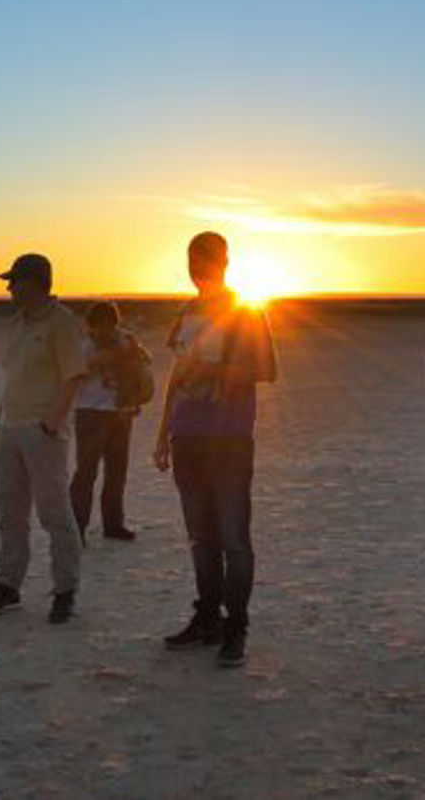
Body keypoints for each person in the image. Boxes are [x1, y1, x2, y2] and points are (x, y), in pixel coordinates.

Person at [154, 231, 277, 668]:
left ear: (224, 261)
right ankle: (206, 618)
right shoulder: (188, 312)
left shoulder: (245, 312)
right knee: (200, 538)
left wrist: (213, 369)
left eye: (204, 258)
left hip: (228, 438)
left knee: (233, 539)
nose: (197, 266)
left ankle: (235, 627)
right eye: (191, 258)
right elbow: (176, 375)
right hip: (188, 437)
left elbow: (266, 368)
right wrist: (162, 433)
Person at [0, 253, 87, 624]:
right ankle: (8, 585)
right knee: (10, 514)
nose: (9, 288)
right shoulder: (18, 323)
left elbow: (74, 377)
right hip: (11, 430)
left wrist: (49, 426)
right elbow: (12, 379)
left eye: (15, 281)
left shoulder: (62, 324)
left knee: (54, 513)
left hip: (43, 432)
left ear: (37, 283)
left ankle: (64, 590)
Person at [69, 301, 148, 542]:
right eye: (101, 325)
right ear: (90, 325)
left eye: (111, 325)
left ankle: (113, 524)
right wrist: (101, 360)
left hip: (120, 411)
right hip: (90, 412)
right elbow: (74, 374)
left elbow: (144, 362)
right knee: (86, 472)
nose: (106, 330)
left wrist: (131, 355)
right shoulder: (83, 346)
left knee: (117, 472)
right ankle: (77, 528)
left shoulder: (126, 340)